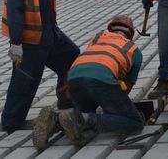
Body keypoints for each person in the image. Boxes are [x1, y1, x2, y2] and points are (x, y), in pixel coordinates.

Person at [1, 0, 101, 134]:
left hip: (50, 34)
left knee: (71, 56)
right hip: (30, 42)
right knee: (25, 82)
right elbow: (15, 10)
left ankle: (66, 101)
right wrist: (15, 43)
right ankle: (10, 125)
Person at [54, 15, 144, 147]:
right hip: (100, 79)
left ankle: (56, 121)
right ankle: (85, 119)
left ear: (110, 29)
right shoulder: (133, 49)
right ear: (130, 34)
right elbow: (127, 87)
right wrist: (113, 107)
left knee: (81, 116)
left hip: (73, 79)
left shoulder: (97, 38)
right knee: (135, 123)